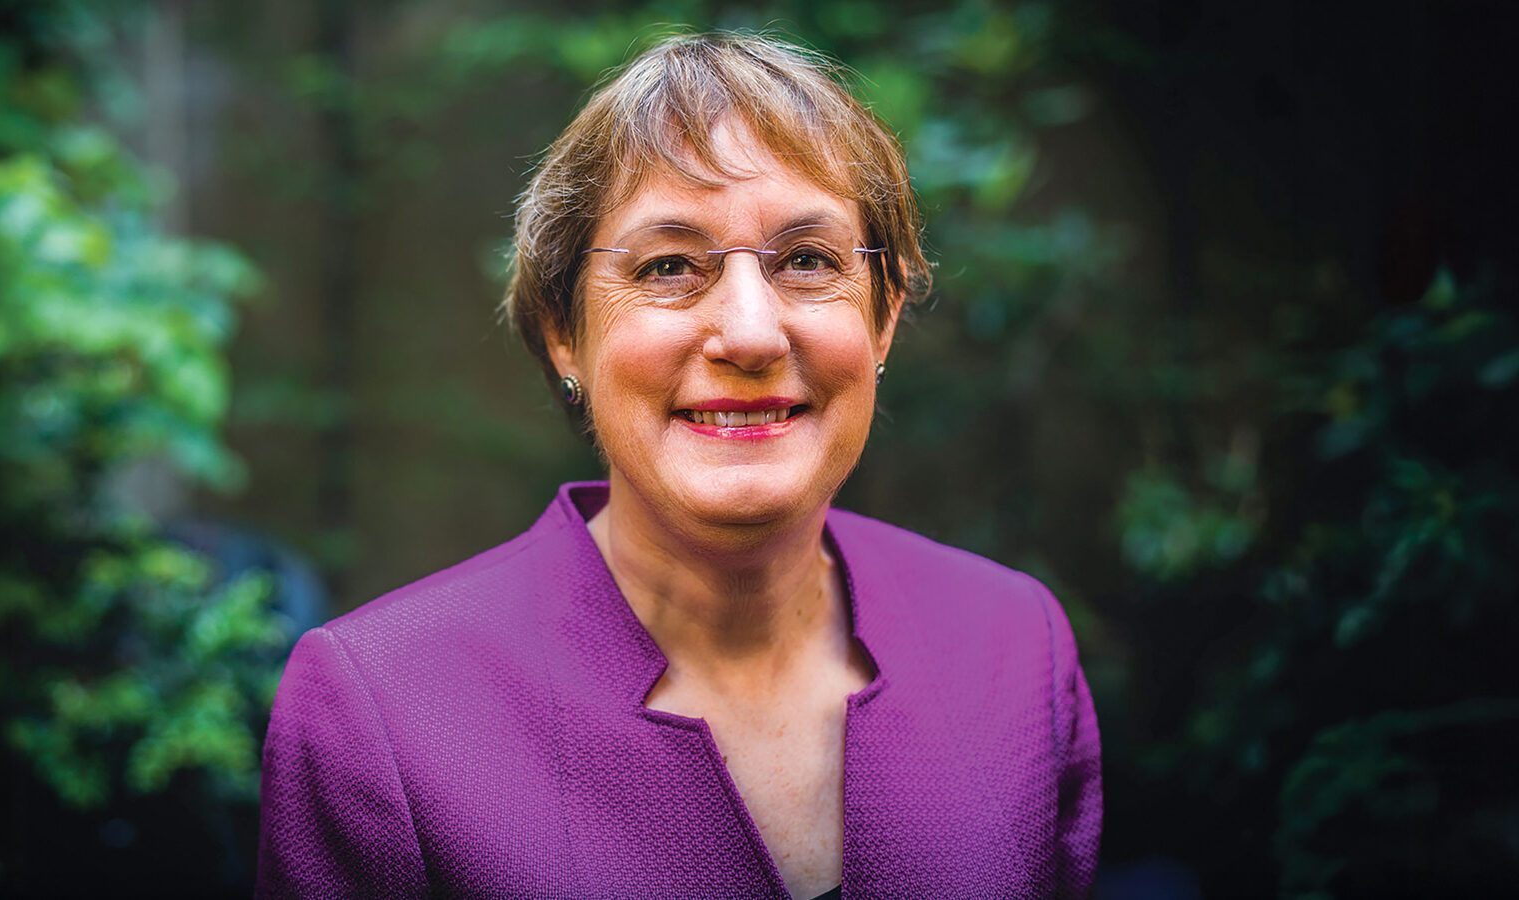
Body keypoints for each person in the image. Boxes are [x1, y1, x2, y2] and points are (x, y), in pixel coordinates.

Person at [256, 31, 1101, 900]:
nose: (749, 333)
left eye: (807, 261)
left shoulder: (1013, 646)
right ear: (563, 333)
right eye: (668, 267)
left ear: (883, 318)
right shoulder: (382, 710)